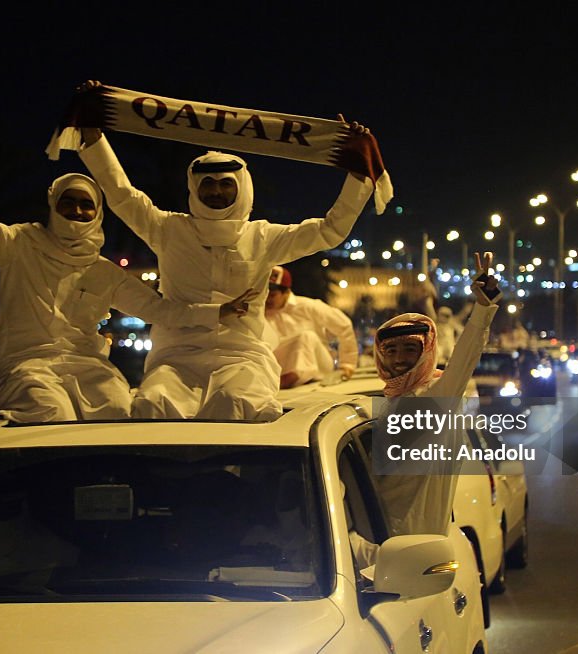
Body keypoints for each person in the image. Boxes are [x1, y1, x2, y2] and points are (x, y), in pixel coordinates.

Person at [77, 82, 375, 420]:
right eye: (208, 184)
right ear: (194, 187)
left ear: (241, 188)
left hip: (242, 355)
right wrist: (92, 136)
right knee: (154, 405)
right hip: (177, 355)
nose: (216, 192)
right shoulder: (168, 229)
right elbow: (120, 193)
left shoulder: (263, 237)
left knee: (242, 406)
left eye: (224, 184)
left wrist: (356, 172)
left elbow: (329, 230)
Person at [0, 122, 254, 423]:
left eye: (87, 205)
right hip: (23, 366)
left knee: (119, 409)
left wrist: (216, 313)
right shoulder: (17, 246)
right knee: (50, 411)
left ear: (97, 214)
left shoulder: (103, 272)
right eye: (69, 203)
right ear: (54, 206)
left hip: (86, 366)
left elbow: (160, 309)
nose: (78, 211)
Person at [374, 252, 500, 537]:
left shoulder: (434, 395)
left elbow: (464, 360)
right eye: (391, 350)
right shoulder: (384, 401)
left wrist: (482, 308)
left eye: (410, 349)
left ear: (426, 351)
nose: (399, 358)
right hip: (371, 538)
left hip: (413, 540)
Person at [264, 265, 358, 388]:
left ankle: (292, 377)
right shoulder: (260, 313)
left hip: (319, 366)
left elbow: (343, 325)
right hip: (279, 372)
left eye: (272, 295)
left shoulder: (307, 306)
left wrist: (347, 365)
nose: (267, 300)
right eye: (265, 295)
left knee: (306, 336)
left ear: (286, 291)